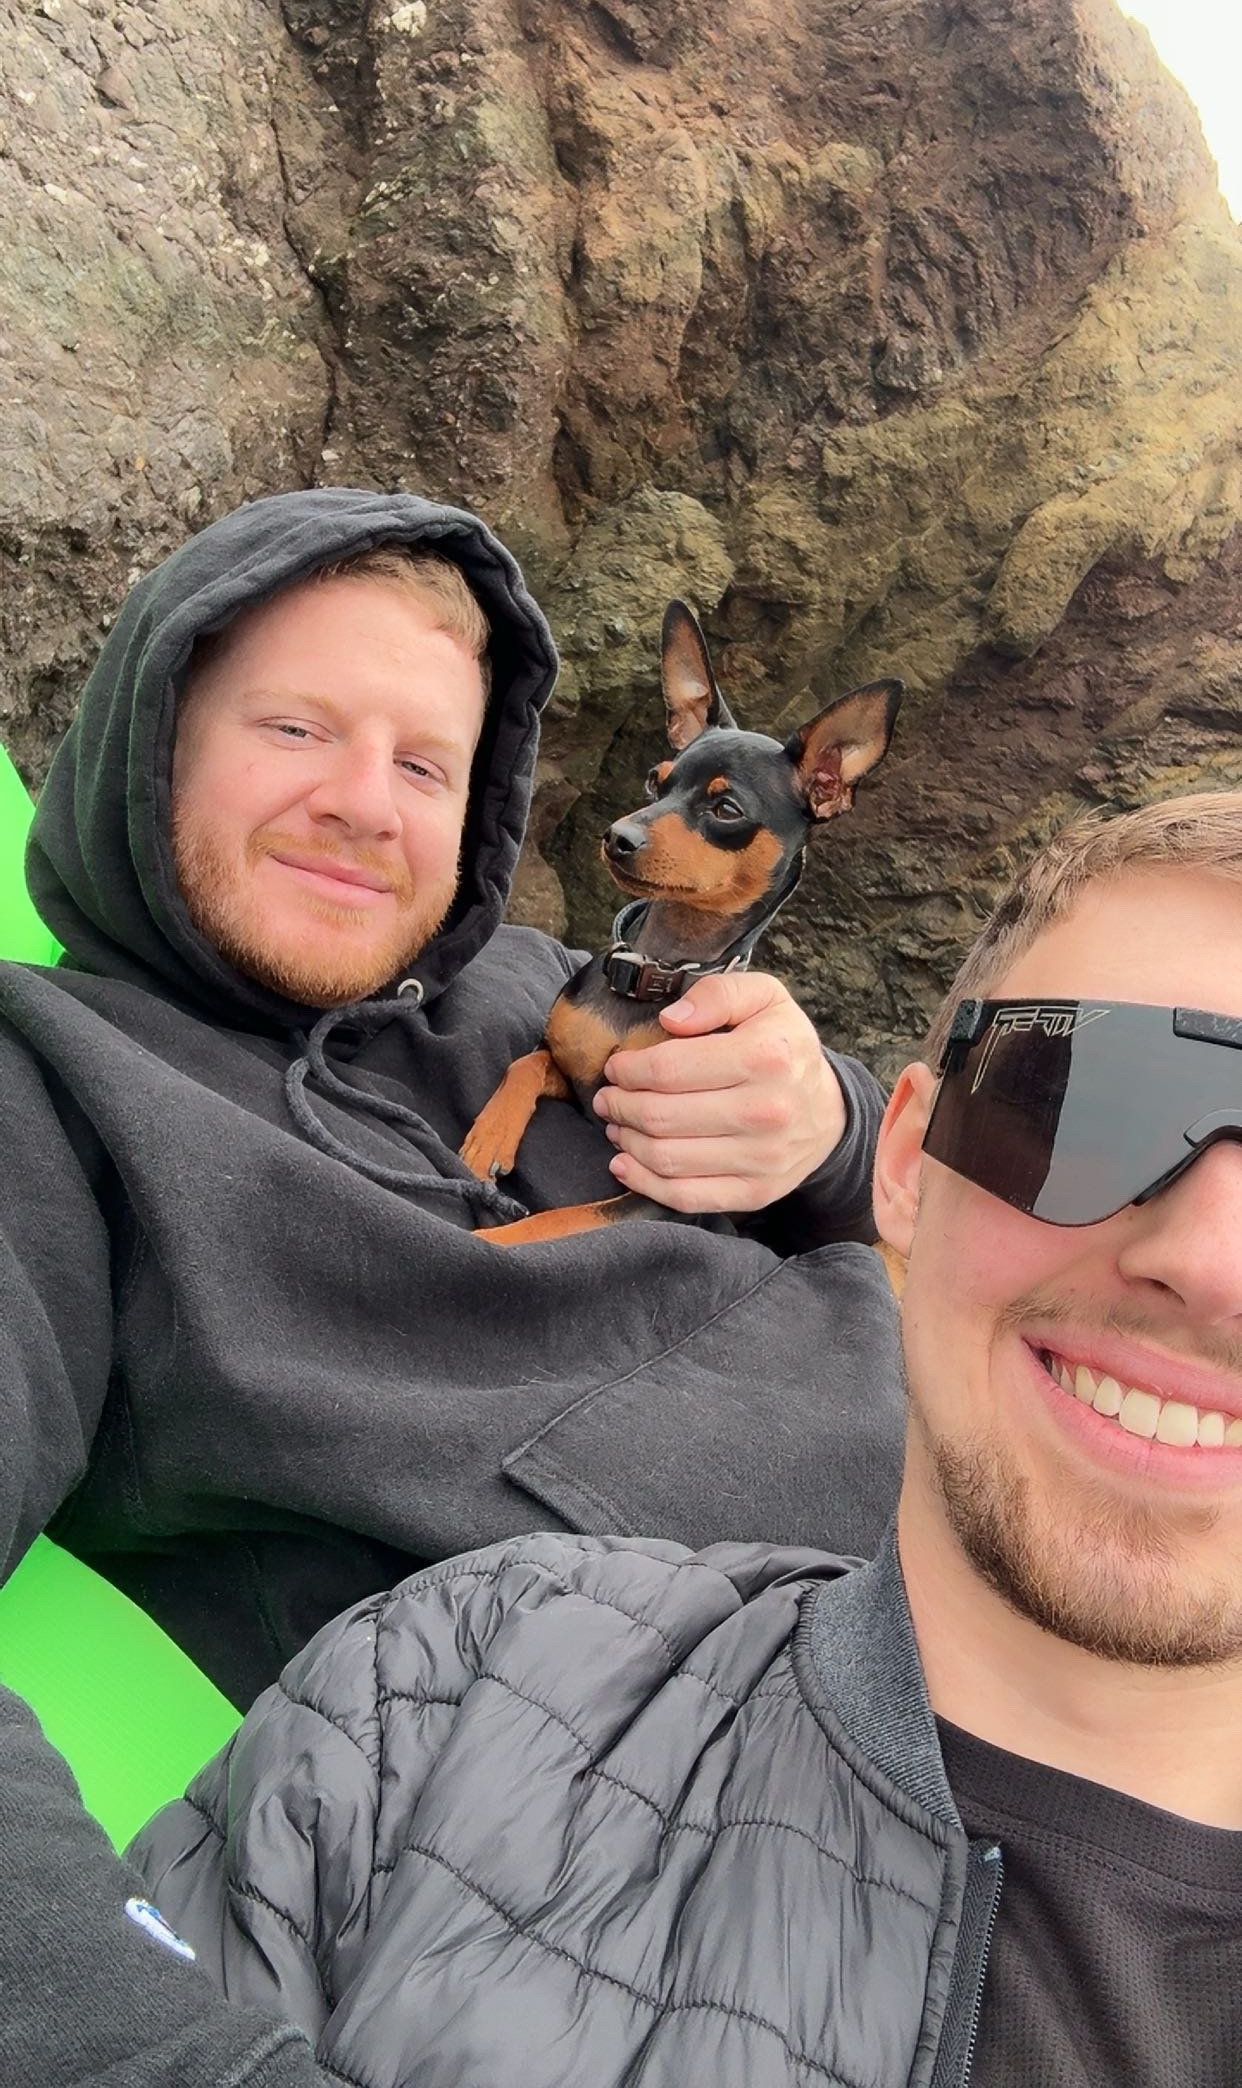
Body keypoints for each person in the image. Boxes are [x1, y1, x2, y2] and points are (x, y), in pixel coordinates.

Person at [98, 791, 1242, 2088]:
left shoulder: (585, 997)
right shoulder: (446, 1687)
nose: (1210, 1262)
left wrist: (818, 1131)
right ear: (916, 1166)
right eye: (1093, 1101)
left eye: (428, 764)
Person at [0, 489, 903, 1722]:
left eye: (425, 763)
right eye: (296, 728)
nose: (367, 803)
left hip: (998, 1512)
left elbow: (920, 1207)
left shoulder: (541, 977)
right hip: (722, 1736)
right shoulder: (49, 1088)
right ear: (152, 733)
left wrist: (830, 1130)